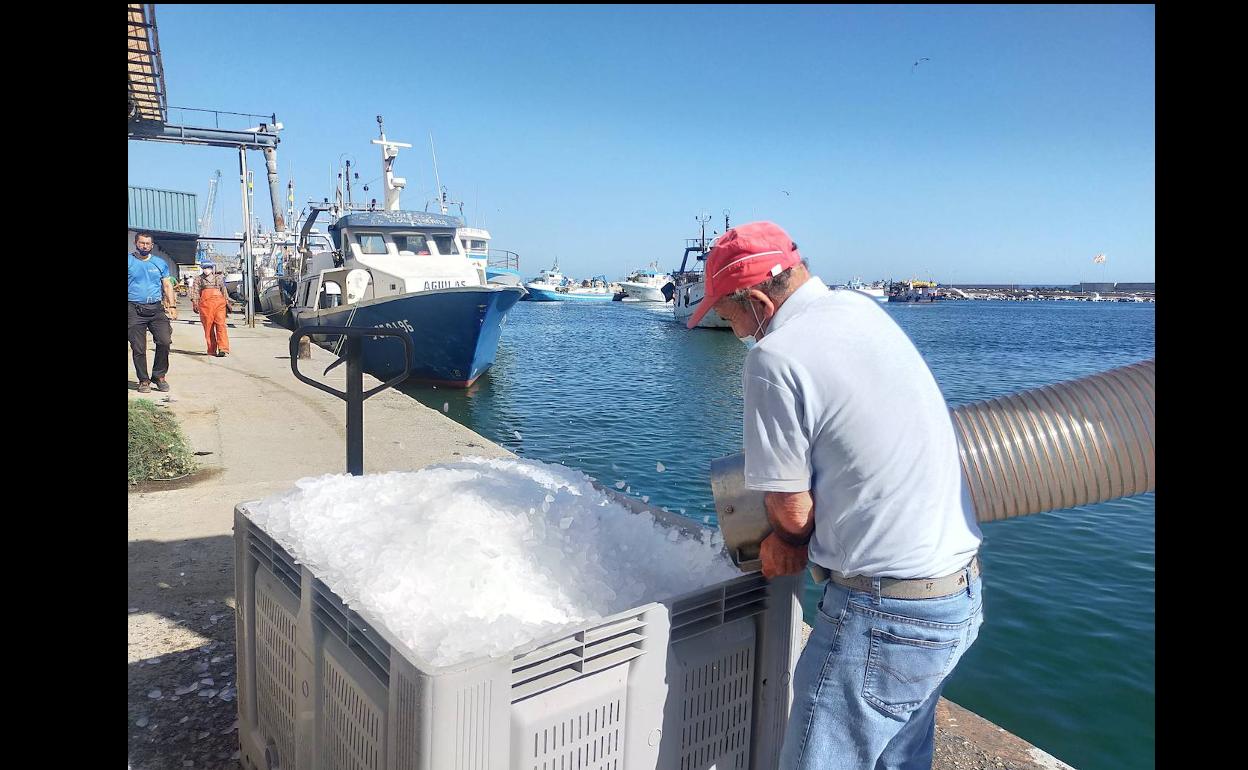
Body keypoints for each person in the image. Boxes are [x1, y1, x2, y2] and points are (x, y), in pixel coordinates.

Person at [688, 221, 983, 770]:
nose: (736, 334)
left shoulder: (774, 358)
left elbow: (792, 510)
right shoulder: (860, 311)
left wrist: (783, 543)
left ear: (756, 302)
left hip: (885, 614)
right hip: (954, 595)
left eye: (728, 318)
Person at [128, 232, 176, 392]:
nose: (145, 246)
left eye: (148, 243)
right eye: (142, 243)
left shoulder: (159, 263)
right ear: (136, 243)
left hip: (156, 308)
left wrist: (172, 306)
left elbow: (167, 285)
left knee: (164, 341)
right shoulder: (129, 261)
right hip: (133, 308)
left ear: (152, 245)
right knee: (138, 347)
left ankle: (159, 376)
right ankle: (143, 380)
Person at [190, 260, 231, 357]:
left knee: (221, 325)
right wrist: (195, 303)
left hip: (219, 304)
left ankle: (223, 348)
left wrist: (227, 302)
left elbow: (223, 290)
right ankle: (211, 349)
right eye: (205, 268)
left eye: (208, 268)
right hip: (205, 305)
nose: (206, 270)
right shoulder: (198, 279)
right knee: (208, 328)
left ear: (212, 268)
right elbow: (195, 292)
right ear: (202, 268)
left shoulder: (219, 278)